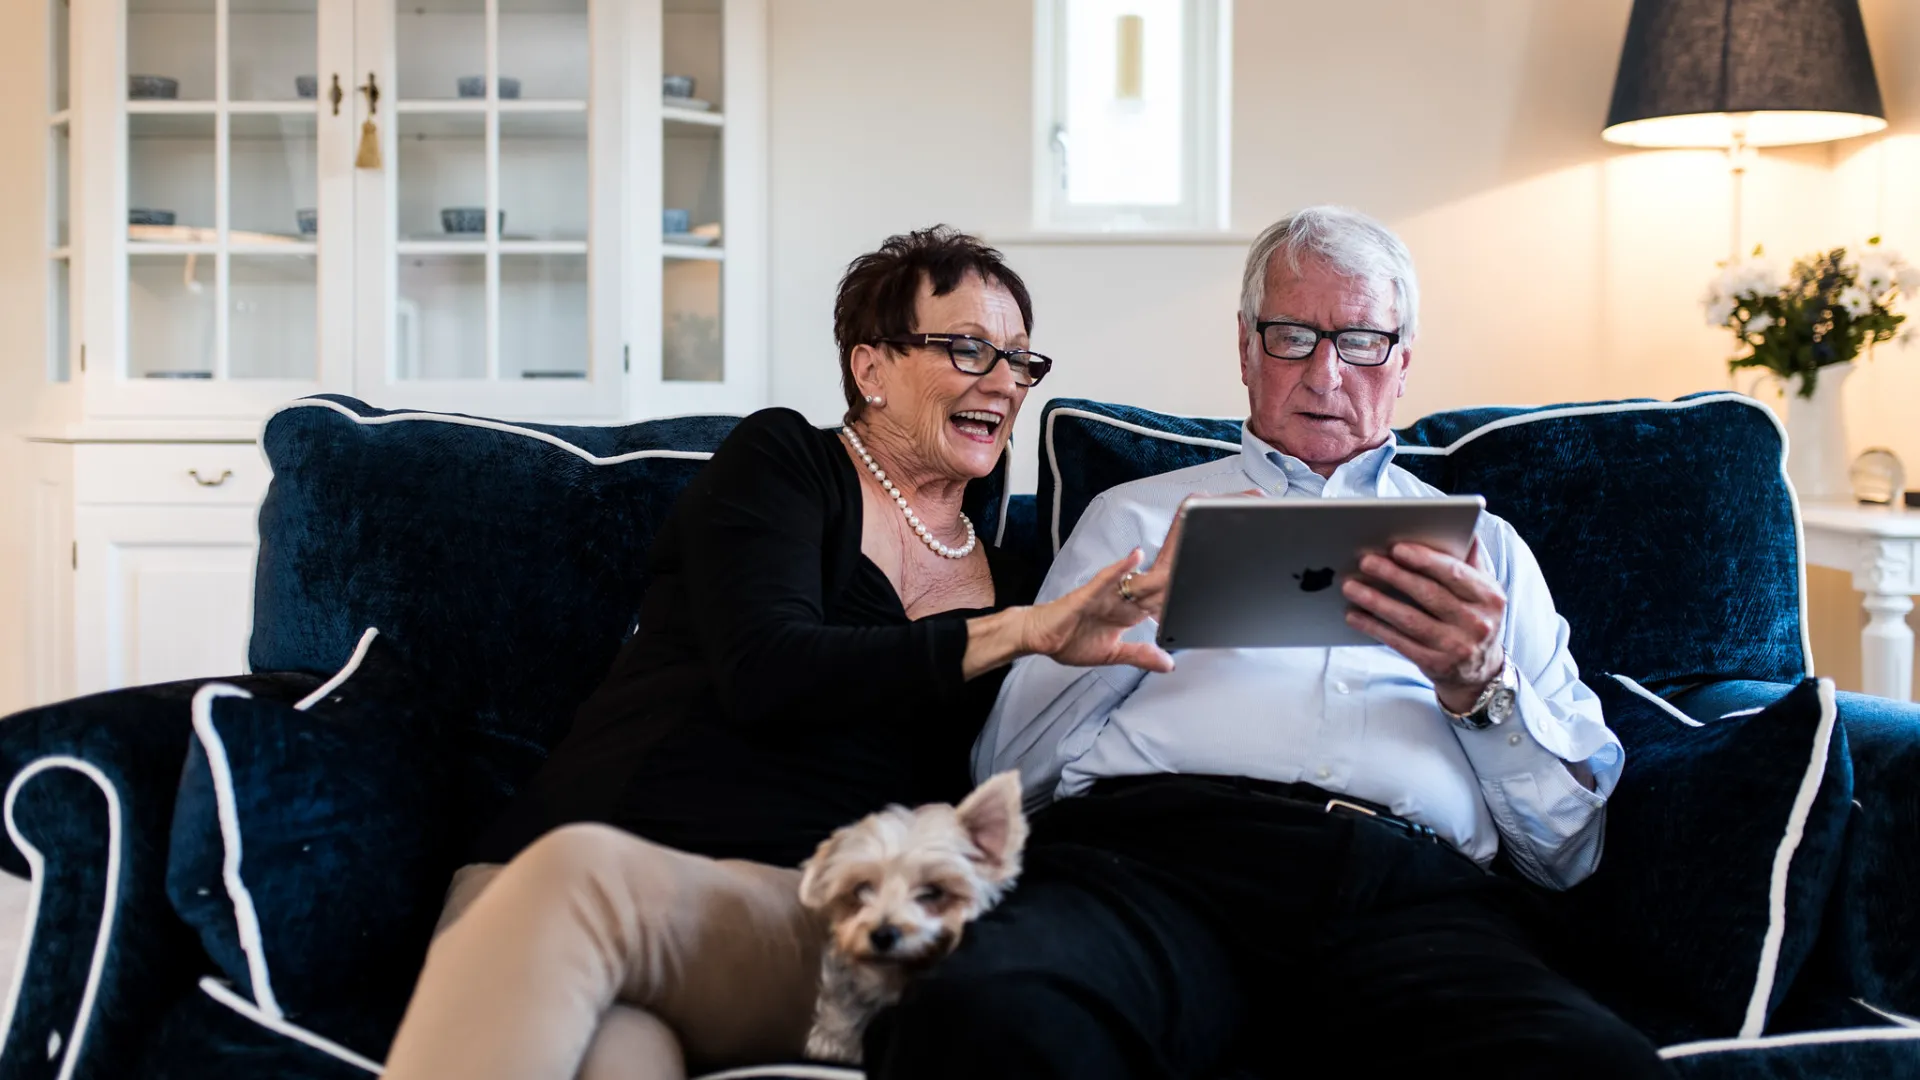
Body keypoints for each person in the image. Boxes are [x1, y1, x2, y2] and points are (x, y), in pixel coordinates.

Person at [866, 206, 1671, 1079]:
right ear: (1247, 349)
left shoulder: (1493, 553)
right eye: (1293, 335)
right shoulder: (1134, 518)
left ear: (1402, 363)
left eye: (1361, 340)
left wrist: (1481, 689)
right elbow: (1005, 778)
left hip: (1408, 897)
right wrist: (1127, 613)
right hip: (1150, 864)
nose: (1326, 372)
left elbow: (1568, 854)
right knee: (986, 1015)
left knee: (1594, 1065)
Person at [379, 226, 1172, 1080]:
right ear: (870, 369)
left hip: (793, 915)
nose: (1004, 382)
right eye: (969, 348)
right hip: (558, 868)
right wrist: (1020, 632)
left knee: (580, 881)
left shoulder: (1025, 582)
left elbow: (1009, 787)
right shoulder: (787, 464)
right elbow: (770, 670)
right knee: (615, 1054)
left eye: (1019, 360)